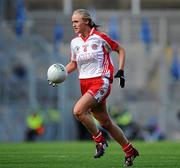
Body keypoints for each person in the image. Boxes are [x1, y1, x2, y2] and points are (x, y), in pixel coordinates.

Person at [50, 9, 139, 167]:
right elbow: (73, 64)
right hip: (84, 84)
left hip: (100, 82)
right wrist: (59, 74)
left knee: (78, 111)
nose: (73, 25)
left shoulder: (100, 37)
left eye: (76, 21)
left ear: (86, 21)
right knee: (106, 123)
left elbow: (120, 49)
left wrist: (121, 70)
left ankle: (100, 141)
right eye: (72, 22)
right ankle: (129, 150)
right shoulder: (75, 42)